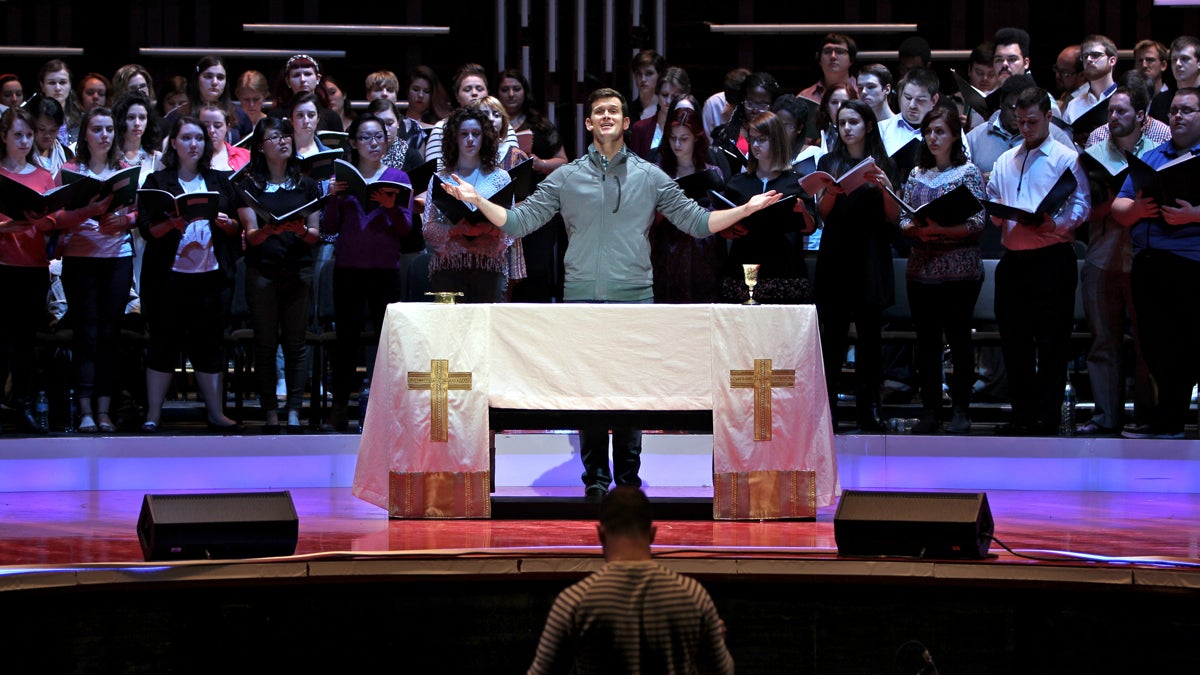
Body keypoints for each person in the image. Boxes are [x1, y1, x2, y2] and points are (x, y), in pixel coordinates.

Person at [439, 87, 782, 497]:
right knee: (587, 395)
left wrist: (745, 210)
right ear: (589, 123)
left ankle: (629, 481)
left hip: (635, 300)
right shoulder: (566, 177)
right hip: (581, 301)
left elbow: (696, 221)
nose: (605, 116)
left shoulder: (651, 175)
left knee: (632, 395)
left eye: (613, 111)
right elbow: (518, 222)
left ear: (624, 123)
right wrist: (477, 199)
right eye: (598, 110)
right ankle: (596, 482)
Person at [527, 486, 734, 675]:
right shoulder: (694, 596)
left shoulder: (574, 601)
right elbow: (723, 671)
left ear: (600, 534)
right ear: (653, 533)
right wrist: (716, 640)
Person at [986, 86, 1090, 436]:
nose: (1026, 128)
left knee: (1052, 342)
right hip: (1013, 261)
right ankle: (1021, 415)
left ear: (1048, 117)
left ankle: (1046, 417)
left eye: (1032, 121)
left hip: (1052, 259)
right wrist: (998, 213)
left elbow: (1081, 205)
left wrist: (1054, 223)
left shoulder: (1065, 158)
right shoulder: (1006, 159)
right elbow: (995, 199)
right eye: (1021, 122)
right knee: (1014, 343)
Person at [136, 116, 243, 433]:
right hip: (167, 280)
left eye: (199, 138)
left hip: (210, 278)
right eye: (186, 138)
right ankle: (153, 413)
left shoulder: (221, 181)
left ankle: (216, 412)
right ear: (174, 143)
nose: (193, 144)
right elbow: (147, 230)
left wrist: (228, 224)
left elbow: (237, 227)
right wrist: (171, 224)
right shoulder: (158, 181)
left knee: (209, 344)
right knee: (163, 343)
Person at [1113, 87, 1200, 439]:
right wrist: (1135, 210)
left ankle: (1173, 419)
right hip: (1148, 262)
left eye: (1188, 111)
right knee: (1153, 343)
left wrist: (1194, 215)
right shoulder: (1152, 157)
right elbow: (1120, 205)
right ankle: (1166, 419)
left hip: (1191, 264)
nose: (1178, 116)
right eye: (1174, 110)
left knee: (1187, 343)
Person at [1076, 81, 1160, 436]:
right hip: (1101, 255)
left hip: (1144, 256)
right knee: (1103, 341)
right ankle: (1106, 417)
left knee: (1148, 344)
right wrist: (1111, 201)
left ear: (1141, 116)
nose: (1113, 117)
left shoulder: (1161, 146)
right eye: (1111, 110)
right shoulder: (1096, 146)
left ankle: (1148, 417)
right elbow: (1082, 211)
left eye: (1121, 111)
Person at [321, 113, 413, 431]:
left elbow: (406, 229)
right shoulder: (343, 179)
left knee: (388, 340)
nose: (373, 143)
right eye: (366, 137)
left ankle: (390, 408)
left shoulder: (398, 178)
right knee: (346, 340)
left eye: (379, 137)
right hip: (348, 268)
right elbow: (330, 226)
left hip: (384, 269)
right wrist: (333, 197)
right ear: (353, 143)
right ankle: (340, 407)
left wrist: (390, 206)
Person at [899, 106, 987, 434]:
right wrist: (916, 230)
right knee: (927, 343)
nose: (933, 138)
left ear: (954, 136)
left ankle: (961, 409)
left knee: (959, 340)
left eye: (940, 132)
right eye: (929, 131)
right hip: (922, 270)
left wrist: (946, 231)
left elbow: (979, 220)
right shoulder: (916, 174)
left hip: (960, 272)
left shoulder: (968, 172)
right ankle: (931, 409)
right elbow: (904, 217)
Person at [813, 99, 900, 432]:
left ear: (867, 125)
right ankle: (828, 411)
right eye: (842, 123)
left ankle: (870, 409)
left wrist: (885, 187)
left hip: (871, 253)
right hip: (836, 252)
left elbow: (894, 217)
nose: (846, 128)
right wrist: (833, 191)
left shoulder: (882, 163)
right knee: (832, 340)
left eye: (853, 122)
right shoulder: (829, 161)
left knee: (870, 340)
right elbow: (823, 215)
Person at [236, 117, 322, 434]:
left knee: (296, 344)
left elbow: (315, 234)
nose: (284, 140)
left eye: (287, 135)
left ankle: (295, 410)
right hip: (263, 271)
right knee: (265, 344)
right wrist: (269, 229)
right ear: (260, 146)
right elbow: (251, 236)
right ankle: (271, 412)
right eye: (275, 137)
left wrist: (300, 230)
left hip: (298, 269)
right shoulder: (249, 186)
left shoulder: (306, 184)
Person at [57, 107, 137, 434]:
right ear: (85, 135)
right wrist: (86, 212)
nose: (104, 135)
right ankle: (85, 408)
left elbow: (137, 214)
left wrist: (125, 220)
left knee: (109, 334)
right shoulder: (70, 170)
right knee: (86, 333)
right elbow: (57, 220)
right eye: (97, 129)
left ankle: (104, 409)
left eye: (108, 130)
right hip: (80, 257)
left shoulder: (124, 169)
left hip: (117, 257)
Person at [0, 106, 62, 432]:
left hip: (32, 267)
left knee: (25, 341)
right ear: (4, 137)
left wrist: (43, 220)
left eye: (28, 135)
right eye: (18, 135)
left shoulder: (43, 177)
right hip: (3, 266)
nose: (25, 141)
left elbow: (53, 222)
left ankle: (22, 403)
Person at [718, 111, 815, 304]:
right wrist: (730, 229)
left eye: (761, 140)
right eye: (752, 139)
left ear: (777, 140)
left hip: (785, 269)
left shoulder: (795, 182)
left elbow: (810, 227)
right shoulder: (738, 183)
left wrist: (802, 211)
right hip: (743, 266)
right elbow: (723, 227)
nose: (755, 145)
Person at [423, 106, 514, 302]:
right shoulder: (441, 178)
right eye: (464, 134)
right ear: (454, 138)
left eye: (476, 133)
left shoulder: (501, 178)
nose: (470, 139)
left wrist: (489, 231)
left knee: (487, 327)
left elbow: (512, 226)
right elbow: (428, 228)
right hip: (449, 266)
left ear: (485, 137)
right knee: (451, 328)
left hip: (488, 265)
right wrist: (455, 230)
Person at [496, 68, 569, 303]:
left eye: (516, 89)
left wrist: (540, 163)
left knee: (536, 268)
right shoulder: (489, 125)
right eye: (505, 89)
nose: (510, 94)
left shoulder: (540, 124)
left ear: (525, 92)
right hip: (502, 206)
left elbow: (564, 162)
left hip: (539, 206)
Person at [652, 106, 725, 303]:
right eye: (672, 137)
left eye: (684, 138)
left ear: (696, 138)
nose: (677, 144)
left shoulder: (712, 172)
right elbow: (648, 220)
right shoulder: (658, 173)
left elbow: (719, 216)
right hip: (667, 252)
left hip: (703, 254)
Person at [424, 63, 519, 168]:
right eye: (467, 89)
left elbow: (514, 165)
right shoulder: (442, 127)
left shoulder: (501, 124)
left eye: (479, 89)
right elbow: (434, 169)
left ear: (487, 93)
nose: (474, 93)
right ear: (457, 96)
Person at [163, 56, 254, 145]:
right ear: (197, 79)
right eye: (208, 76)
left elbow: (246, 151)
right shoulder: (177, 115)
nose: (214, 82)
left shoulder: (239, 114)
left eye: (220, 77)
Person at [628, 66, 691, 161]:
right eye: (664, 95)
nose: (669, 101)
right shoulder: (640, 128)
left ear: (685, 96)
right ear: (657, 93)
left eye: (675, 96)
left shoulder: (692, 129)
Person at [270, 54, 343, 133]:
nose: (302, 79)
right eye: (296, 75)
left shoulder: (332, 117)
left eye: (307, 74)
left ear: (318, 78)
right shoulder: (276, 116)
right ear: (288, 81)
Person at [1065, 35, 1119, 132]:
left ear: (1112, 61)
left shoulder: (1126, 100)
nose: (1089, 60)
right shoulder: (1073, 105)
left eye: (1095, 55)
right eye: (1085, 56)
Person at [1149, 36, 1200, 124]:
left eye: (1184, 59)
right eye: (1174, 60)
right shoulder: (1160, 100)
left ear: (1199, 63)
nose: (1178, 64)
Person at [799, 32, 858, 105]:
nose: (833, 56)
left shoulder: (864, 94)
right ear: (819, 60)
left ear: (851, 60)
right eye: (827, 52)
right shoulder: (805, 97)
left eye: (839, 52)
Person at [37, 59, 82, 146]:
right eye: (52, 83)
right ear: (42, 86)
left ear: (70, 85)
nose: (58, 88)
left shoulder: (82, 119)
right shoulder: (33, 120)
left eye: (62, 82)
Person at [28, 95, 73, 179]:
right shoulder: (24, 156)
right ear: (31, 124)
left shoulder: (67, 154)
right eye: (41, 129)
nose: (47, 135)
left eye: (53, 130)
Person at [198, 103, 250, 173]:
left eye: (217, 125)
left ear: (227, 127)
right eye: (206, 125)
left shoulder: (244, 155)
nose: (211, 130)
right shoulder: (191, 156)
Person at [701, 67, 750, 141]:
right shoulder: (713, 105)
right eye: (734, 106)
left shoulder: (757, 107)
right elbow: (712, 147)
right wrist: (726, 125)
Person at [628, 49, 667, 121]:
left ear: (660, 75)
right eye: (639, 74)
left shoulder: (667, 109)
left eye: (649, 73)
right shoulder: (627, 111)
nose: (643, 79)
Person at [1053, 46, 1086, 114]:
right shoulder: (1067, 95)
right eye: (1056, 69)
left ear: (1082, 75)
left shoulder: (1083, 104)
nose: (1057, 76)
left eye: (1065, 73)